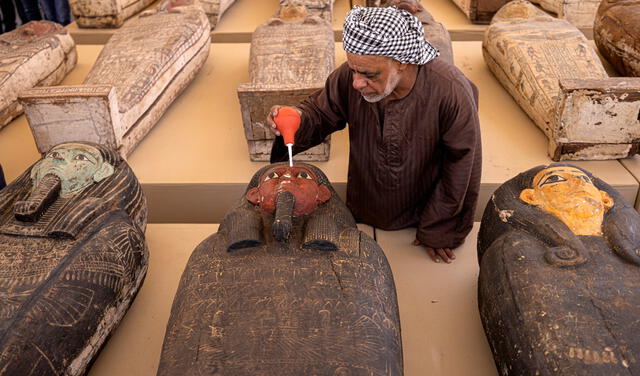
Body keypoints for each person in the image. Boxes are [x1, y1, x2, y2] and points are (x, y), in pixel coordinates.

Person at [266, 6, 481, 263]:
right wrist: (298, 118)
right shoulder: (351, 76)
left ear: (401, 61)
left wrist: (440, 229)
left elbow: (462, 166)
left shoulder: (451, 91)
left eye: (369, 74)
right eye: (354, 70)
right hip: (367, 201)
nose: (356, 83)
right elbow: (321, 112)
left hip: (422, 210)